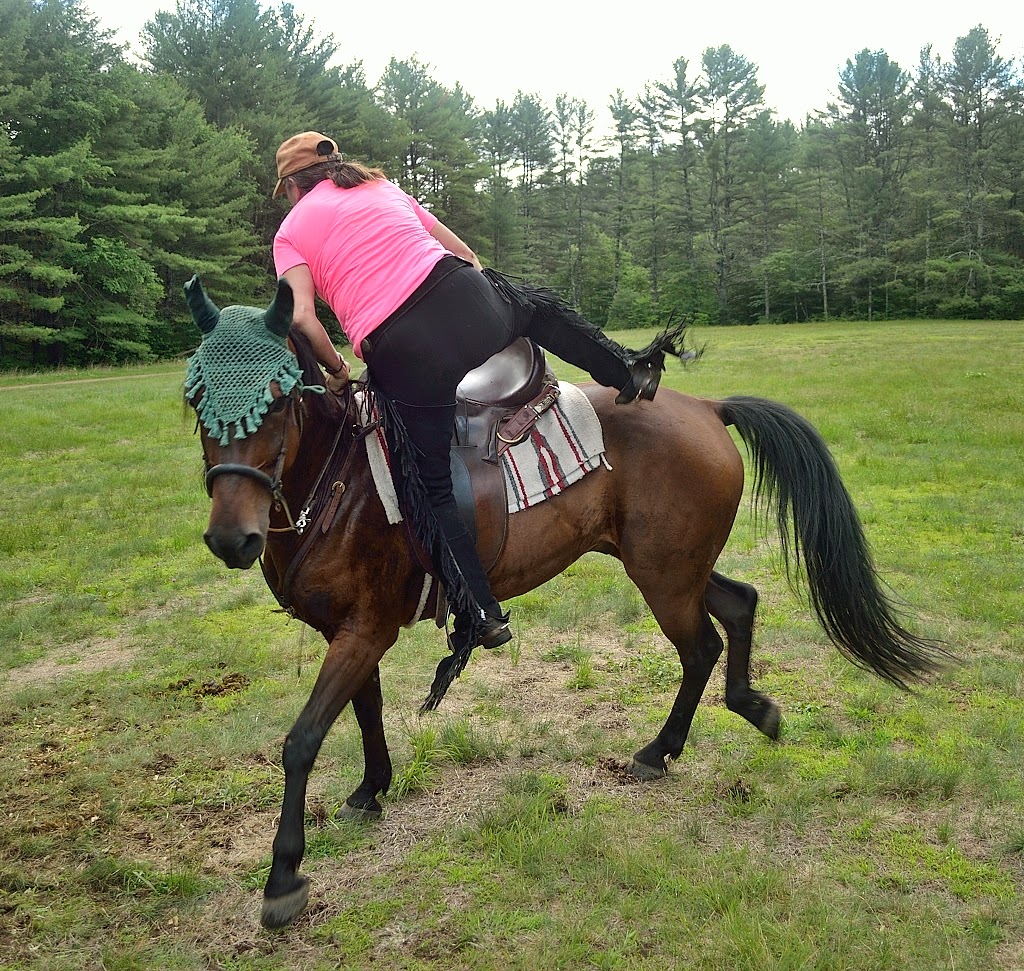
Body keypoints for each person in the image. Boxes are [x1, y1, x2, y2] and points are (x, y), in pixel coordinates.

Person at [271, 130, 690, 657]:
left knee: (430, 484)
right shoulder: (381, 188)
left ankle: (480, 610)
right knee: (539, 308)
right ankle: (626, 372)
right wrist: (486, 307)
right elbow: (464, 253)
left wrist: (334, 368)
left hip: (403, 350)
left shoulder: (290, 231)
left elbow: (303, 316)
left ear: (291, 186)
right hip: (466, 295)